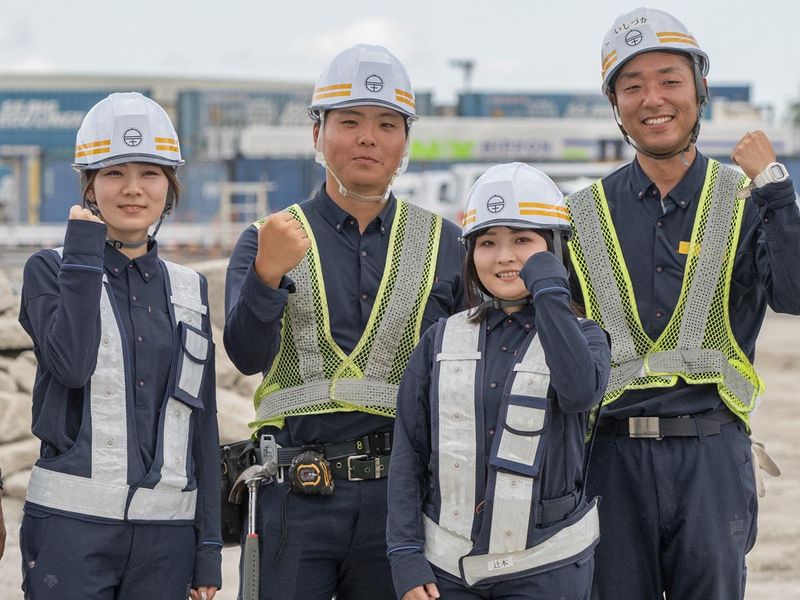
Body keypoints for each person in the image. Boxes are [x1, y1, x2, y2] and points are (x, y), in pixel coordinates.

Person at [565, 8, 800, 600]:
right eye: (632, 85)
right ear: (614, 103)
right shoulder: (578, 215)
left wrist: (775, 187)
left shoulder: (747, 200)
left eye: (669, 80)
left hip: (712, 456)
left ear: (699, 90)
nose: (653, 99)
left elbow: (795, 296)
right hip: (608, 461)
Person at [223, 44, 464, 599]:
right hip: (289, 494)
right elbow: (245, 355)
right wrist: (265, 277)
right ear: (317, 134)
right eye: (349, 121)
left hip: (398, 501)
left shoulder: (447, 245)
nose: (367, 137)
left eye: (386, 123)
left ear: (406, 139)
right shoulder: (268, 237)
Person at [18, 92, 222, 600]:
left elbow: (203, 424)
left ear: (170, 186)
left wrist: (208, 551)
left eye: (150, 174)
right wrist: (84, 253)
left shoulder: (188, 289)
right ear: (89, 185)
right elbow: (71, 364)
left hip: (167, 543)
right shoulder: (49, 269)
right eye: (113, 174)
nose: (133, 189)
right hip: (70, 534)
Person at [386, 162, 611, 600]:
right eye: (487, 243)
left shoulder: (585, 336)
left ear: (555, 248)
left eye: (523, 240)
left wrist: (549, 286)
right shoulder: (440, 338)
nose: (504, 256)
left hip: (547, 568)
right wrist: (406, 555)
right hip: (447, 573)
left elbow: (580, 389)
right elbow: (408, 454)